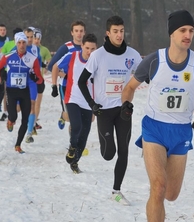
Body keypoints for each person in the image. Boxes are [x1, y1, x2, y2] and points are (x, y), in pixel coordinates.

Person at [121, 10, 194, 222]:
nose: (188, 35)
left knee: (171, 194)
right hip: (154, 130)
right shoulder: (154, 61)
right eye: (183, 30)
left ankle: (157, 208)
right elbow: (129, 88)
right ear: (171, 33)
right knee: (159, 186)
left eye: (191, 31)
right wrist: (127, 105)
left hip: (181, 132)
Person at [78, 16, 142, 205]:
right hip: (103, 111)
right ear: (108, 33)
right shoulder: (98, 55)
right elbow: (82, 81)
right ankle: (107, 151)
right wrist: (92, 104)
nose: (119, 34)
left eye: (121, 31)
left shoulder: (132, 55)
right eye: (115, 31)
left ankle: (116, 191)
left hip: (123, 109)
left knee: (124, 151)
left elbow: (146, 75)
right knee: (109, 154)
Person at [0, 32, 43, 153]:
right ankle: (10, 120)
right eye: (19, 43)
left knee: (25, 119)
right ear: (16, 43)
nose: (21, 45)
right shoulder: (8, 56)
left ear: (26, 43)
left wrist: (35, 78)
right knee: (14, 116)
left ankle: (18, 145)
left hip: (25, 91)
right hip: (11, 91)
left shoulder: (33, 59)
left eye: (24, 43)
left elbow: (40, 78)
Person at [56, 33, 97, 173]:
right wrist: (55, 85)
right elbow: (56, 67)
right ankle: (72, 146)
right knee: (77, 126)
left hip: (89, 101)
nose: (90, 52)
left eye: (93, 49)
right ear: (82, 46)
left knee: (85, 135)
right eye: (87, 48)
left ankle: (75, 162)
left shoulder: (98, 61)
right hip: (73, 98)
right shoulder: (72, 56)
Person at [48, 20, 85, 130]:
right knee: (70, 116)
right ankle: (63, 115)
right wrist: (62, 75)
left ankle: (75, 144)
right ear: (72, 33)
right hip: (66, 86)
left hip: (82, 87)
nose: (79, 33)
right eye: (76, 31)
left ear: (84, 33)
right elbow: (51, 66)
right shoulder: (66, 47)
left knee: (80, 118)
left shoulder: (87, 47)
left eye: (81, 31)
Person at [0, 27, 23, 121]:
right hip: (8, 71)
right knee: (7, 92)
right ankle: (5, 111)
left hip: (21, 72)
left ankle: (17, 108)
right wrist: (2, 71)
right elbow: (2, 57)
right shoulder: (8, 44)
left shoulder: (24, 44)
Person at [32, 28, 51, 130]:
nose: (36, 40)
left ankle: (34, 122)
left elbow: (49, 61)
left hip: (40, 79)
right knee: (30, 102)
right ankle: (30, 120)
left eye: (38, 38)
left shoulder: (44, 50)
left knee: (37, 103)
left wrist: (47, 66)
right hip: (30, 79)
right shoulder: (28, 48)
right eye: (35, 38)